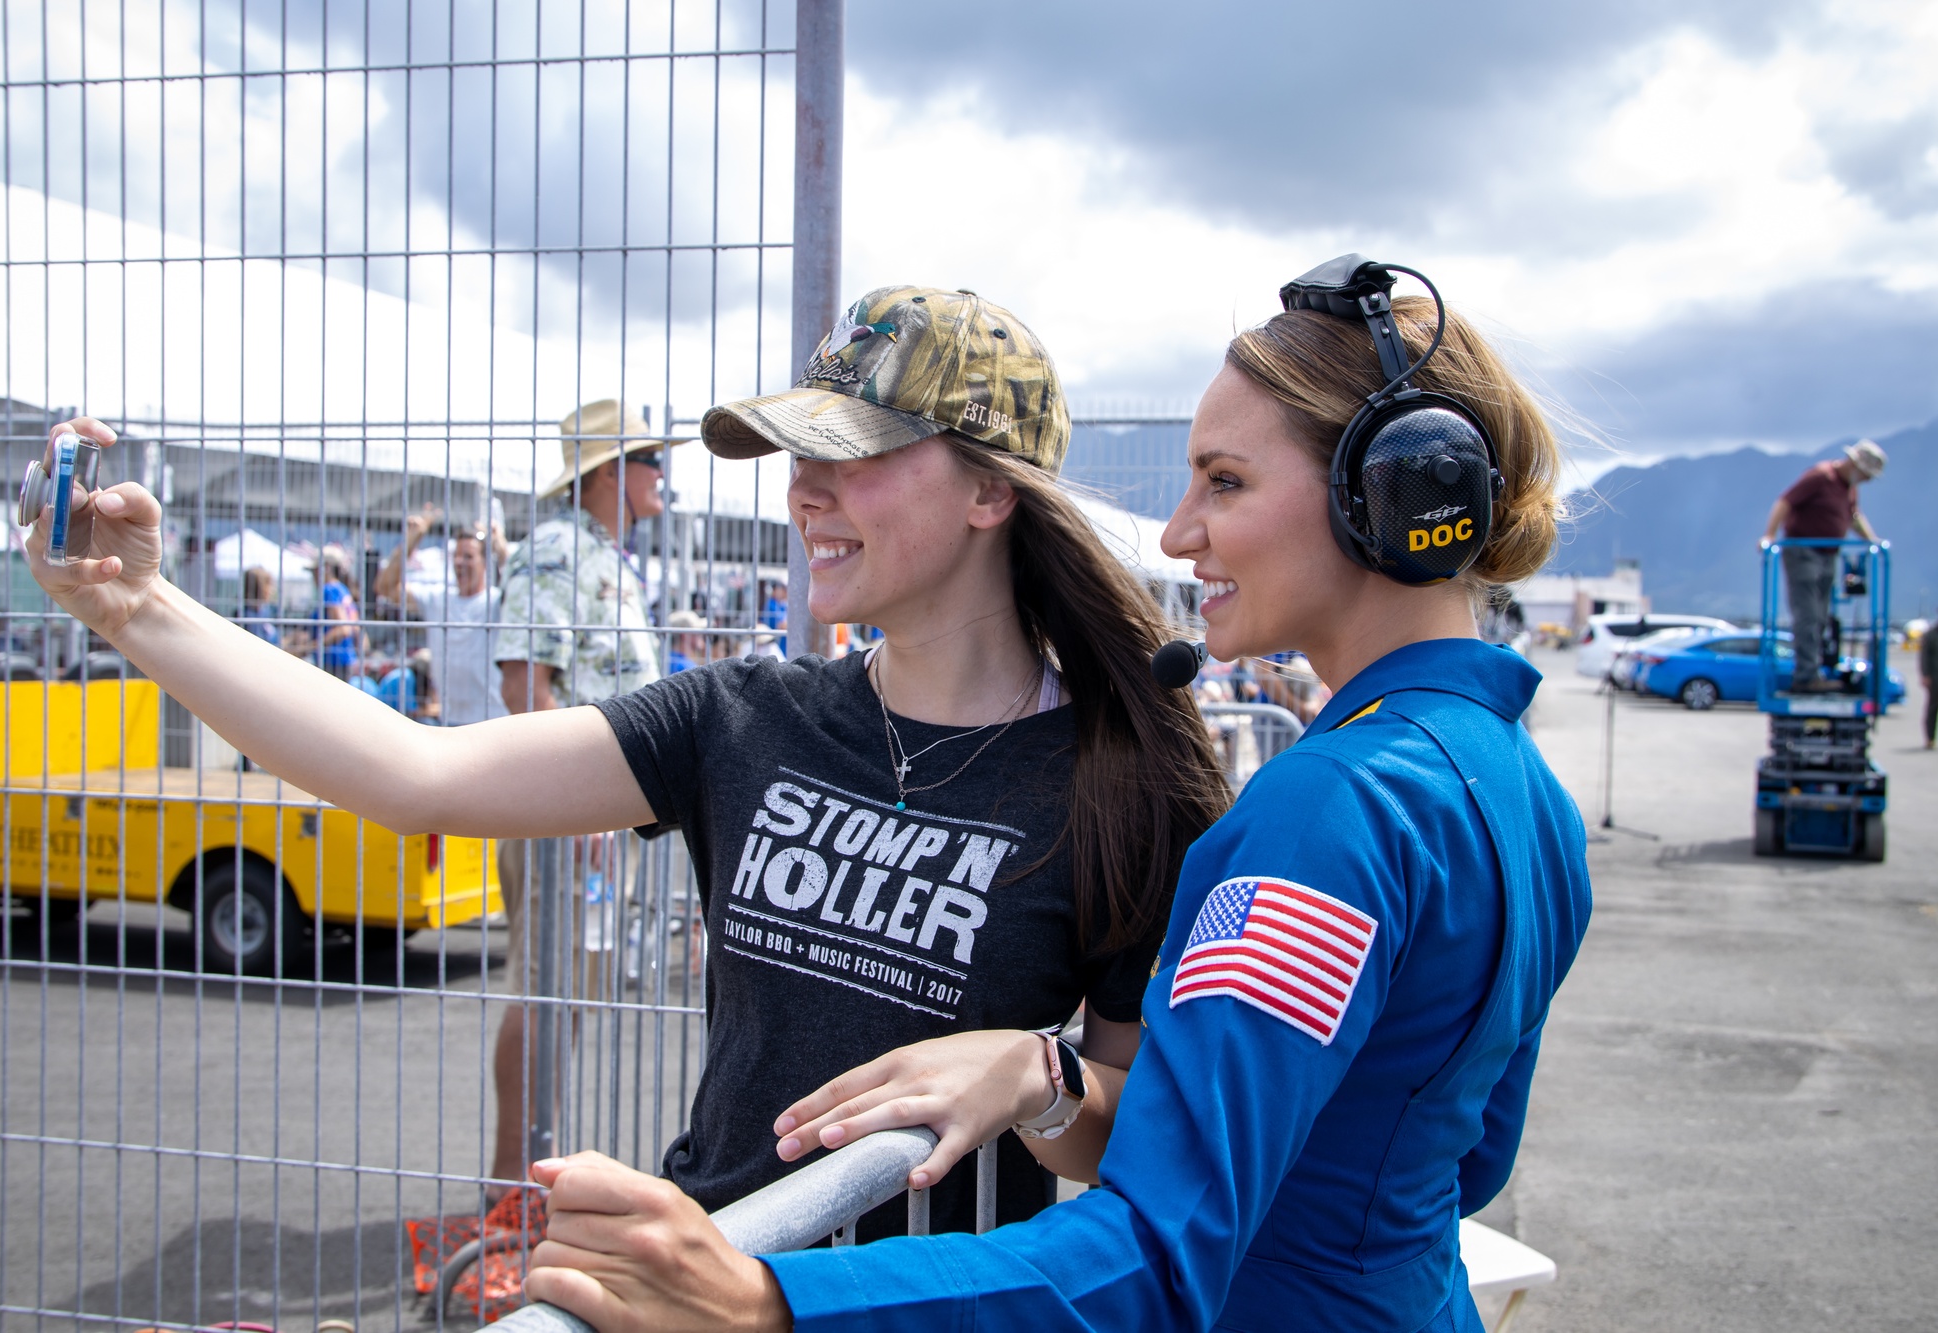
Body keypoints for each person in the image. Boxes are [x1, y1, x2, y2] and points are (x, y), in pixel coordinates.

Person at [19, 283, 1228, 1252]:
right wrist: (139, 609)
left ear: (985, 490)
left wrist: (1040, 1075)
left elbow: (1123, 1142)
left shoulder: (1117, 785)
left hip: (923, 1299)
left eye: (851, 453)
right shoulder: (742, 716)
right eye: (793, 454)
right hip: (697, 1270)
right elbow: (416, 773)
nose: (801, 492)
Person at [508, 259, 1593, 1333]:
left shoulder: (1332, 817)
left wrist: (763, 1297)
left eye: (1225, 481)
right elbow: (1470, 1150)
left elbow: (1156, 1256)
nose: (1176, 532)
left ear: (1390, 498)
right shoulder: (1519, 788)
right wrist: (1051, 1075)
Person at [487, 398, 679, 1200]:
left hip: (591, 819)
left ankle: (527, 1169)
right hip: (569, 818)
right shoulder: (558, 550)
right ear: (608, 474)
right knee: (546, 987)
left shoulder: (594, 553)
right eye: (649, 461)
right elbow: (524, 684)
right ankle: (509, 1182)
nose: (661, 477)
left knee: (565, 991)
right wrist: (576, 807)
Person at [1761, 440, 1886, 692]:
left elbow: (1853, 516)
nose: (1866, 481)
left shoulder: (1848, 488)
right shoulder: (1820, 476)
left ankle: (1814, 670)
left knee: (1820, 616)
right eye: (1865, 475)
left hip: (1829, 554)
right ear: (1854, 464)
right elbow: (1785, 501)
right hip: (1803, 551)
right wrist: (1770, 535)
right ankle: (1806, 677)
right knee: (1807, 615)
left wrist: (1872, 541)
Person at [375, 505, 509, 726]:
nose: (459, 562)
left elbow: (527, 595)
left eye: (468, 556)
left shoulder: (497, 601)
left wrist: (501, 549)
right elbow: (386, 588)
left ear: (485, 561)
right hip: (450, 722)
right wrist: (411, 541)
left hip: (493, 721)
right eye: (456, 555)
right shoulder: (438, 599)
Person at [283, 544, 364, 681]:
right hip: (344, 661)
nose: (313, 576)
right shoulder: (343, 590)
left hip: (332, 663)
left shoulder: (329, 590)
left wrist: (310, 647)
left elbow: (343, 629)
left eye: (315, 571)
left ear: (326, 569)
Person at [238, 565, 281, 645]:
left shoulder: (264, 611)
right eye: (268, 584)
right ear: (258, 588)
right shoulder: (247, 616)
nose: (272, 590)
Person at [665, 609, 709, 674]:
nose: (702, 635)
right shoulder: (686, 667)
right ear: (685, 635)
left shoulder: (666, 658)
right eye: (698, 632)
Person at [1921, 611, 1937, 751]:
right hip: (1935, 677)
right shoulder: (1931, 635)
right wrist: (1925, 675)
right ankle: (1930, 738)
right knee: (1932, 708)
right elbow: (1924, 657)